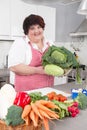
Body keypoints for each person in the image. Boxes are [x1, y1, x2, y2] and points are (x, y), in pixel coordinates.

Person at [8, 14, 54, 92]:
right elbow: (14, 67)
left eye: (39, 27)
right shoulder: (20, 43)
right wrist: (38, 70)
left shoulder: (50, 43)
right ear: (27, 31)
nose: (36, 31)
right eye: (32, 28)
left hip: (48, 90)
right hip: (27, 93)